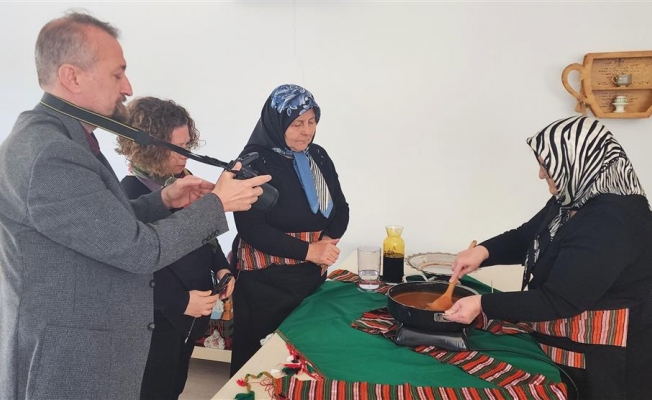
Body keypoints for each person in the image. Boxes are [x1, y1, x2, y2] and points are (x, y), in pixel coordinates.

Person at [0, 12, 270, 399]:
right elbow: (137, 249)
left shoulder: (58, 138)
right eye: (117, 74)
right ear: (72, 77)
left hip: (82, 347)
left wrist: (162, 200)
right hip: (68, 360)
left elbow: (101, 226)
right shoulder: (51, 153)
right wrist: (217, 203)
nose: (127, 88)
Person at [445, 116, 652, 399]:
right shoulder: (575, 198)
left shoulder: (612, 221)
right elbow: (525, 237)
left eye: (547, 166)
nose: (541, 175)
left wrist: (481, 303)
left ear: (580, 161)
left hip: (603, 357)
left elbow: (558, 300)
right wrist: (482, 251)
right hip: (569, 338)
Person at [116, 96, 235, 399]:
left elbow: (205, 234)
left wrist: (222, 267)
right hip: (157, 322)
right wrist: (179, 302)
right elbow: (130, 271)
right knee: (154, 390)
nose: (186, 155)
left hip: (188, 319)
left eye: (187, 145)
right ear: (149, 147)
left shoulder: (183, 180)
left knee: (174, 386)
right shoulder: (128, 195)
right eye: (177, 147)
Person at [229, 84, 350, 376]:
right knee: (261, 364)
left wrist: (325, 244)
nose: (306, 131)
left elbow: (340, 208)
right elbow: (252, 228)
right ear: (277, 122)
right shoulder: (252, 163)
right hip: (265, 283)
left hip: (310, 276)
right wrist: (310, 251)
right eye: (297, 124)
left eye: (312, 122)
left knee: (303, 361)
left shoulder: (318, 156)